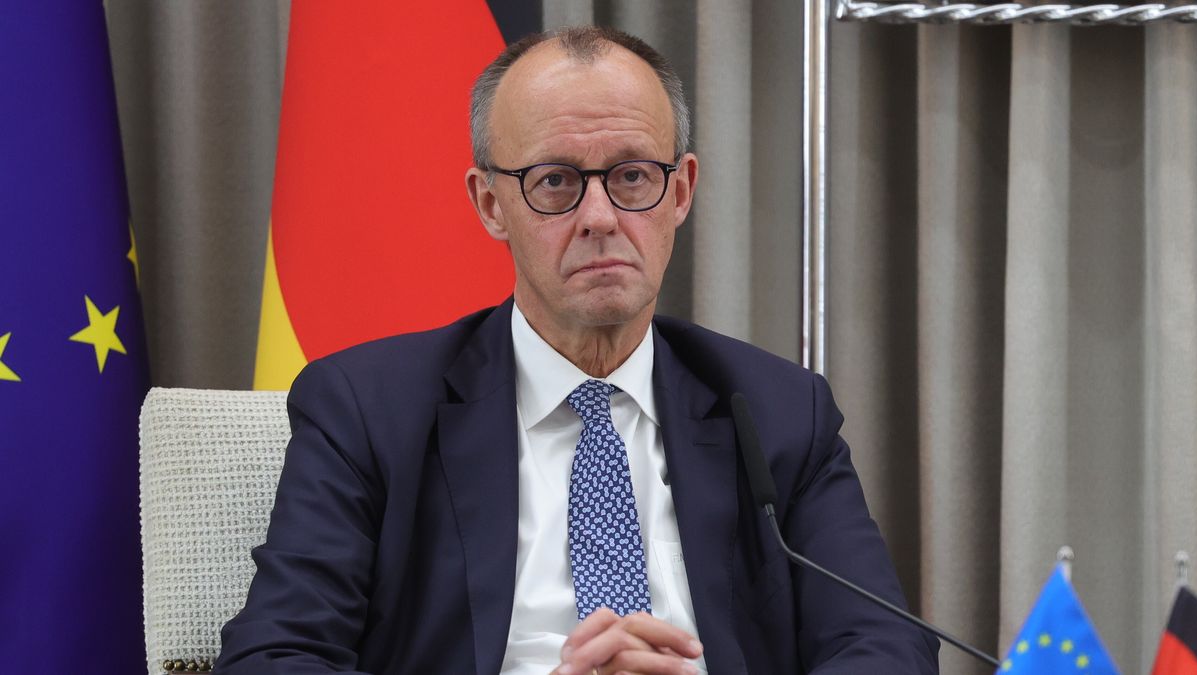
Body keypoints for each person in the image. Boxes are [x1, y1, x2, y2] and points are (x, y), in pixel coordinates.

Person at [217, 26, 939, 675]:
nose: (599, 217)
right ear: (490, 204)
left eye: (632, 176)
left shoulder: (779, 412)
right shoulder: (368, 408)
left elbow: (887, 646)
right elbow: (273, 656)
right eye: (555, 181)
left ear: (680, 190)